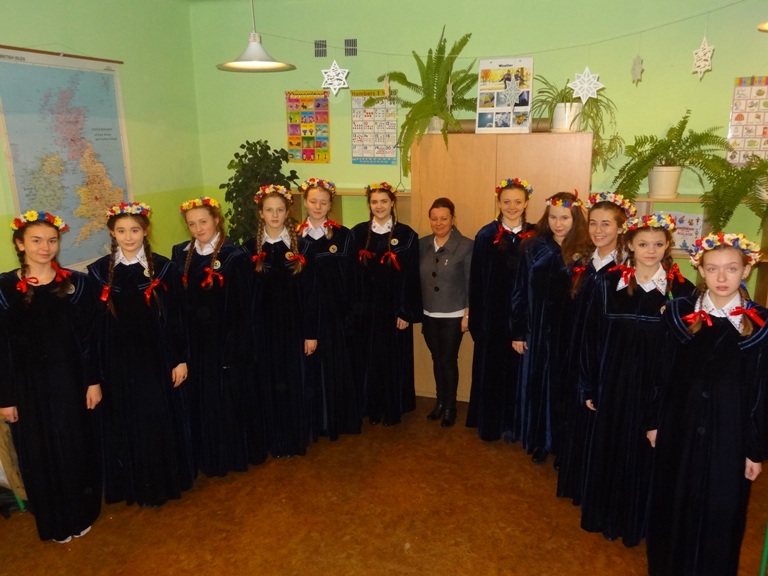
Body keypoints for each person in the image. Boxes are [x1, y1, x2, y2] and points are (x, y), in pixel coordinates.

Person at [646, 233, 767, 576]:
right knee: (674, 500)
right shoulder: (680, 314)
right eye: (712, 269)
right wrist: (654, 421)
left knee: (721, 509)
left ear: (746, 270)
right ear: (700, 270)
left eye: (731, 268)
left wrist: (754, 450)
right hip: (679, 427)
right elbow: (661, 371)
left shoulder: (760, 324)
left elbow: (762, 391)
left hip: (730, 434)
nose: (722, 277)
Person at [578, 213, 696, 546]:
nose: (650, 251)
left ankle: (638, 522)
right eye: (643, 244)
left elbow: (686, 350)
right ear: (629, 244)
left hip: (656, 390)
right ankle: (605, 515)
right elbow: (590, 338)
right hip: (613, 384)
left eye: (658, 244)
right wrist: (588, 384)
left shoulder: (682, 292)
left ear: (668, 245)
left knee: (646, 455)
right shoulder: (607, 284)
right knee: (610, 448)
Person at [0, 211, 101, 542]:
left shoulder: (76, 284)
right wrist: (6, 398)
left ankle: (82, 513)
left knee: (75, 446)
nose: (45, 247)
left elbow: (88, 339)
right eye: (36, 240)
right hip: (27, 389)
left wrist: (93, 381)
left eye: (52, 240)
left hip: (69, 382)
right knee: (39, 453)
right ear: (20, 244)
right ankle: (55, 522)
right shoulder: (4, 288)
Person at [88, 201, 194, 507]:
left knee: (155, 420)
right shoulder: (98, 272)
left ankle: (161, 485)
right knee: (126, 422)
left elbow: (177, 317)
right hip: (118, 363)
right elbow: (95, 327)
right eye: (121, 231)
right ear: (112, 233)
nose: (128, 237)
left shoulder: (164, 268)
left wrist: (179, 358)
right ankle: (133, 485)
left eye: (134, 230)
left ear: (145, 230)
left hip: (155, 359)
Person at [172, 196, 265, 477]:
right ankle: (207, 457)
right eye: (192, 224)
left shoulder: (234, 256)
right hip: (195, 343)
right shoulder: (181, 254)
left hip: (224, 343)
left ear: (216, 220)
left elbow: (243, 308)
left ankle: (230, 457)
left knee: (225, 401)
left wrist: (235, 349)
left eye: (203, 222)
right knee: (202, 402)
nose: (198, 228)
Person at [558, 192, 635, 497]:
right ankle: (575, 473)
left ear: (620, 227)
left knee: (598, 413)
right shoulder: (582, 262)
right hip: (578, 349)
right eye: (593, 223)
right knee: (576, 409)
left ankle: (596, 482)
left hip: (606, 355)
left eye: (606, 224)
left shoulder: (627, 270)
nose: (598, 230)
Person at [512, 191, 589, 464]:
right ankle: (540, 441)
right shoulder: (533, 247)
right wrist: (519, 331)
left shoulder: (586, 250)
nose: (558, 223)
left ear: (575, 219)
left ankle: (562, 444)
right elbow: (520, 290)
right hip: (537, 330)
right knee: (538, 386)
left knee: (564, 388)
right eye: (554, 217)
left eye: (565, 218)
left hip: (570, 333)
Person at [243, 184, 316, 458]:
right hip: (262, 331)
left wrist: (310, 333)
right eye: (269, 210)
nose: (274, 215)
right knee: (266, 384)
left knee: (293, 383)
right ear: (261, 213)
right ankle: (271, 441)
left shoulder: (303, 247)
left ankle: (293, 440)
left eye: (280, 210)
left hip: (293, 330)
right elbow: (245, 298)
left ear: (288, 212)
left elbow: (311, 295)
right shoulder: (248, 249)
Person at [466, 178, 535, 441]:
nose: (512, 206)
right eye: (506, 201)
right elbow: (476, 281)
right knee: (493, 373)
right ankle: (492, 425)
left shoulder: (536, 236)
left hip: (524, 318)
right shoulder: (486, 235)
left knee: (520, 374)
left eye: (517, 201)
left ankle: (517, 426)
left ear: (526, 203)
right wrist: (477, 322)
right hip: (493, 319)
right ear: (498, 202)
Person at [351, 182, 421, 426]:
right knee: (369, 358)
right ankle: (372, 407)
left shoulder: (407, 235)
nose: (379, 206)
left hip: (394, 309)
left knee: (392, 359)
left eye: (383, 201)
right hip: (366, 310)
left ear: (392, 203)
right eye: (374, 202)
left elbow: (412, 277)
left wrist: (406, 311)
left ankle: (393, 406)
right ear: (369, 205)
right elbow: (352, 274)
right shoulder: (358, 233)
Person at [298, 178, 360, 440]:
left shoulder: (344, 235)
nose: (318, 206)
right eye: (313, 201)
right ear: (305, 202)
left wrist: (350, 314)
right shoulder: (294, 237)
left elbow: (352, 279)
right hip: (305, 315)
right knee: (310, 369)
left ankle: (335, 420)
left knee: (335, 369)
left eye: (323, 202)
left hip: (334, 315)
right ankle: (312, 423)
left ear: (330, 204)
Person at [419, 197, 473, 427]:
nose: (439, 223)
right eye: (434, 219)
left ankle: (450, 407)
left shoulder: (466, 245)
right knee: (436, 359)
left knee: (448, 360)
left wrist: (467, 315)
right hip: (429, 313)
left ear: (453, 219)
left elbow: (470, 282)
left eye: (444, 218)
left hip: (454, 314)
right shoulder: (422, 244)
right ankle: (440, 402)